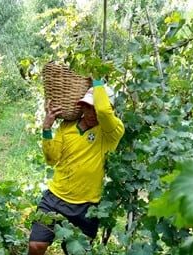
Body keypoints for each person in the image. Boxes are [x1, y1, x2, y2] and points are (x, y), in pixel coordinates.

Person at [28, 80, 124, 255]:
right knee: (36, 246)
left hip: (87, 207)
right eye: (88, 106)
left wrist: (96, 80)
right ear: (82, 107)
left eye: (96, 108)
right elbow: (51, 159)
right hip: (55, 198)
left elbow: (103, 110)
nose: (92, 112)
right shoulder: (67, 127)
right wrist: (47, 127)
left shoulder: (111, 132)